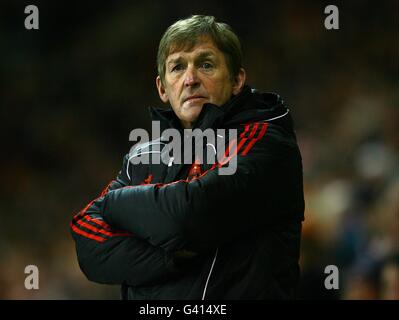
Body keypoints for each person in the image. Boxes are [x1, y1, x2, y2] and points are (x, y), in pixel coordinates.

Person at [70, 15, 305, 299]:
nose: (191, 79)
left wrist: (114, 203)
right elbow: (88, 241)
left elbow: (190, 214)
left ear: (236, 80)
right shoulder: (142, 157)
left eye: (206, 64)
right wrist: (171, 259)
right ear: (162, 88)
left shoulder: (264, 140)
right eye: (177, 68)